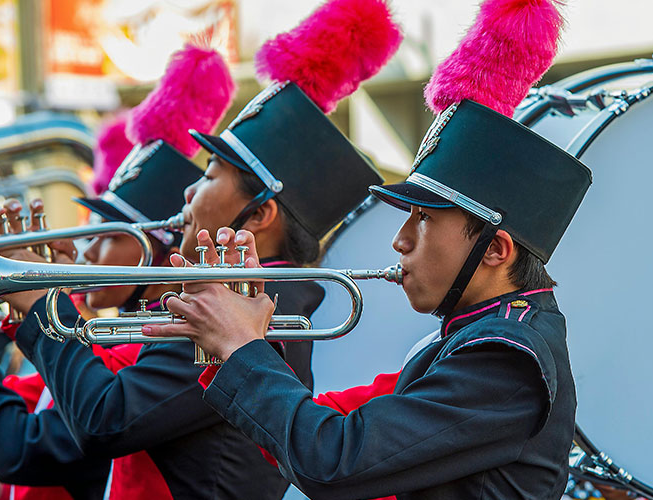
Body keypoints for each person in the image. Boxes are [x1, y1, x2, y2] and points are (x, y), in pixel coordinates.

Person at [0, 1, 399, 497]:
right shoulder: (235, 296)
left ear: (259, 215)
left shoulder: (241, 303)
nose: (188, 194)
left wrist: (40, 307)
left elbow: (101, 421)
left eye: (210, 177)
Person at [145, 0, 592, 498]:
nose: (400, 240)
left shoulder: (504, 357)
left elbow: (333, 461)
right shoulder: (479, 337)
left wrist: (240, 346)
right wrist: (253, 340)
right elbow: (316, 431)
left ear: (495, 250)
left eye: (422, 219)